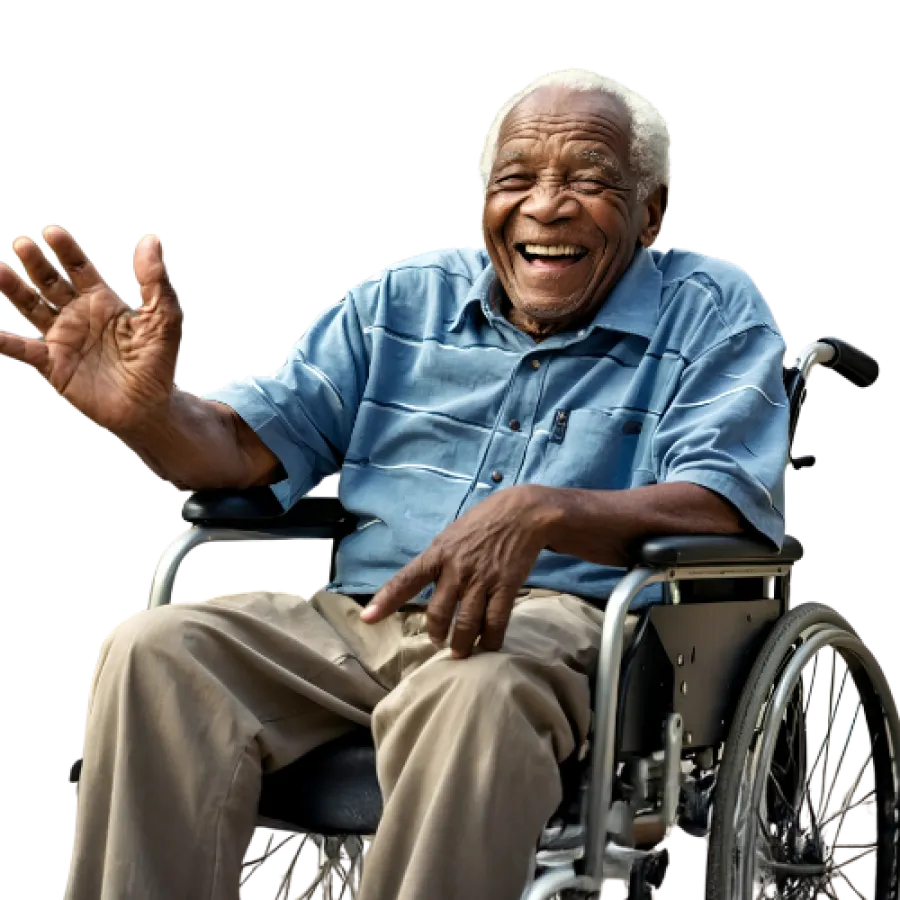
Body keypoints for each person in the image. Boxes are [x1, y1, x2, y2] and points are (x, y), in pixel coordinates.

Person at [1, 68, 789, 900]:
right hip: (362, 618)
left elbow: (724, 498)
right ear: (486, 202)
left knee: (469, 695)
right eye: (516, 180)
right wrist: (148, 416)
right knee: (152, 649)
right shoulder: (397, 303)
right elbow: (241, 448)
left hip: (557, 631)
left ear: (652, 212)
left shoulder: (711, 309)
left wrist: (542, 511)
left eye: (589, 183)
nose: (546, 207)